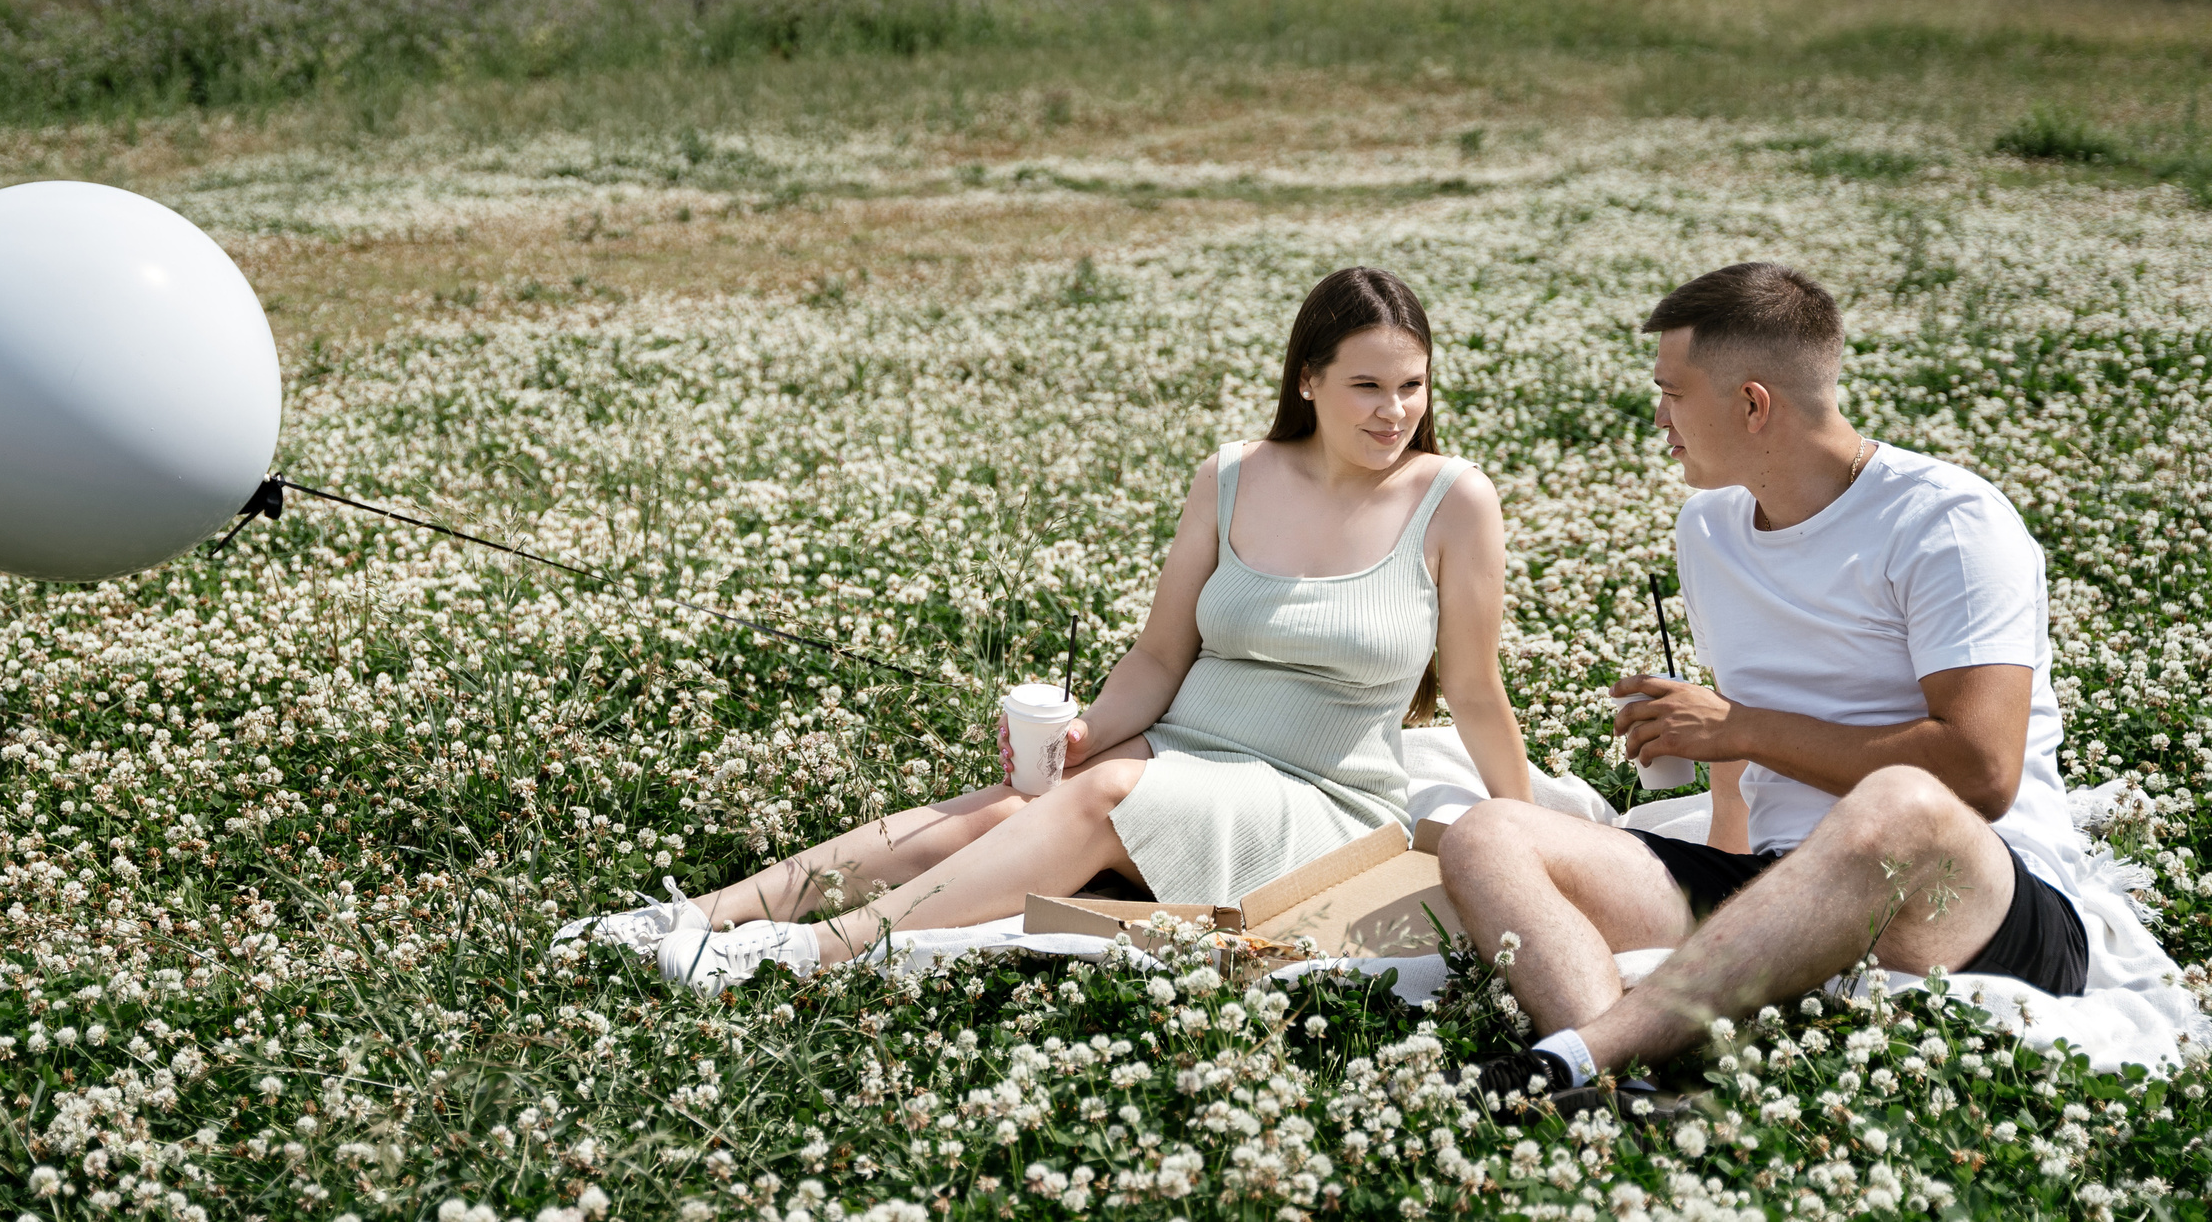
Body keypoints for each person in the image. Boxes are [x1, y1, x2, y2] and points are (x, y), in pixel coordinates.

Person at [557, 266, 1532, 993]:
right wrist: (1084, 734)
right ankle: (685, 918)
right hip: (1184, 748)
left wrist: (1522, 826)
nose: (1395, 411)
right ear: (1309, 381)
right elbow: (1159, 654)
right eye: (1368, 386)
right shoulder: (1232, 475)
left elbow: (1476, 691)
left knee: (1103, 795)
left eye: (1413, 386)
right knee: (999, 811)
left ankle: (797, 956)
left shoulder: (1452, 500)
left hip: (1320, 798)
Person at [1439, 262, 2092, 1112]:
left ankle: (1578, 1055)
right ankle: (1625, 1094)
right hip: (1784, 886)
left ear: (1753, 404)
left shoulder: (1949, 521)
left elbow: (1981, 773)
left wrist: (1742, 727)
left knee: (1901, 801)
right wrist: (1731, 799)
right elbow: (1735, 741)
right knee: (1486, 834)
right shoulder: (1708, 526)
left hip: (1979, 900)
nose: (1659, 418)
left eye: (1673, 393)